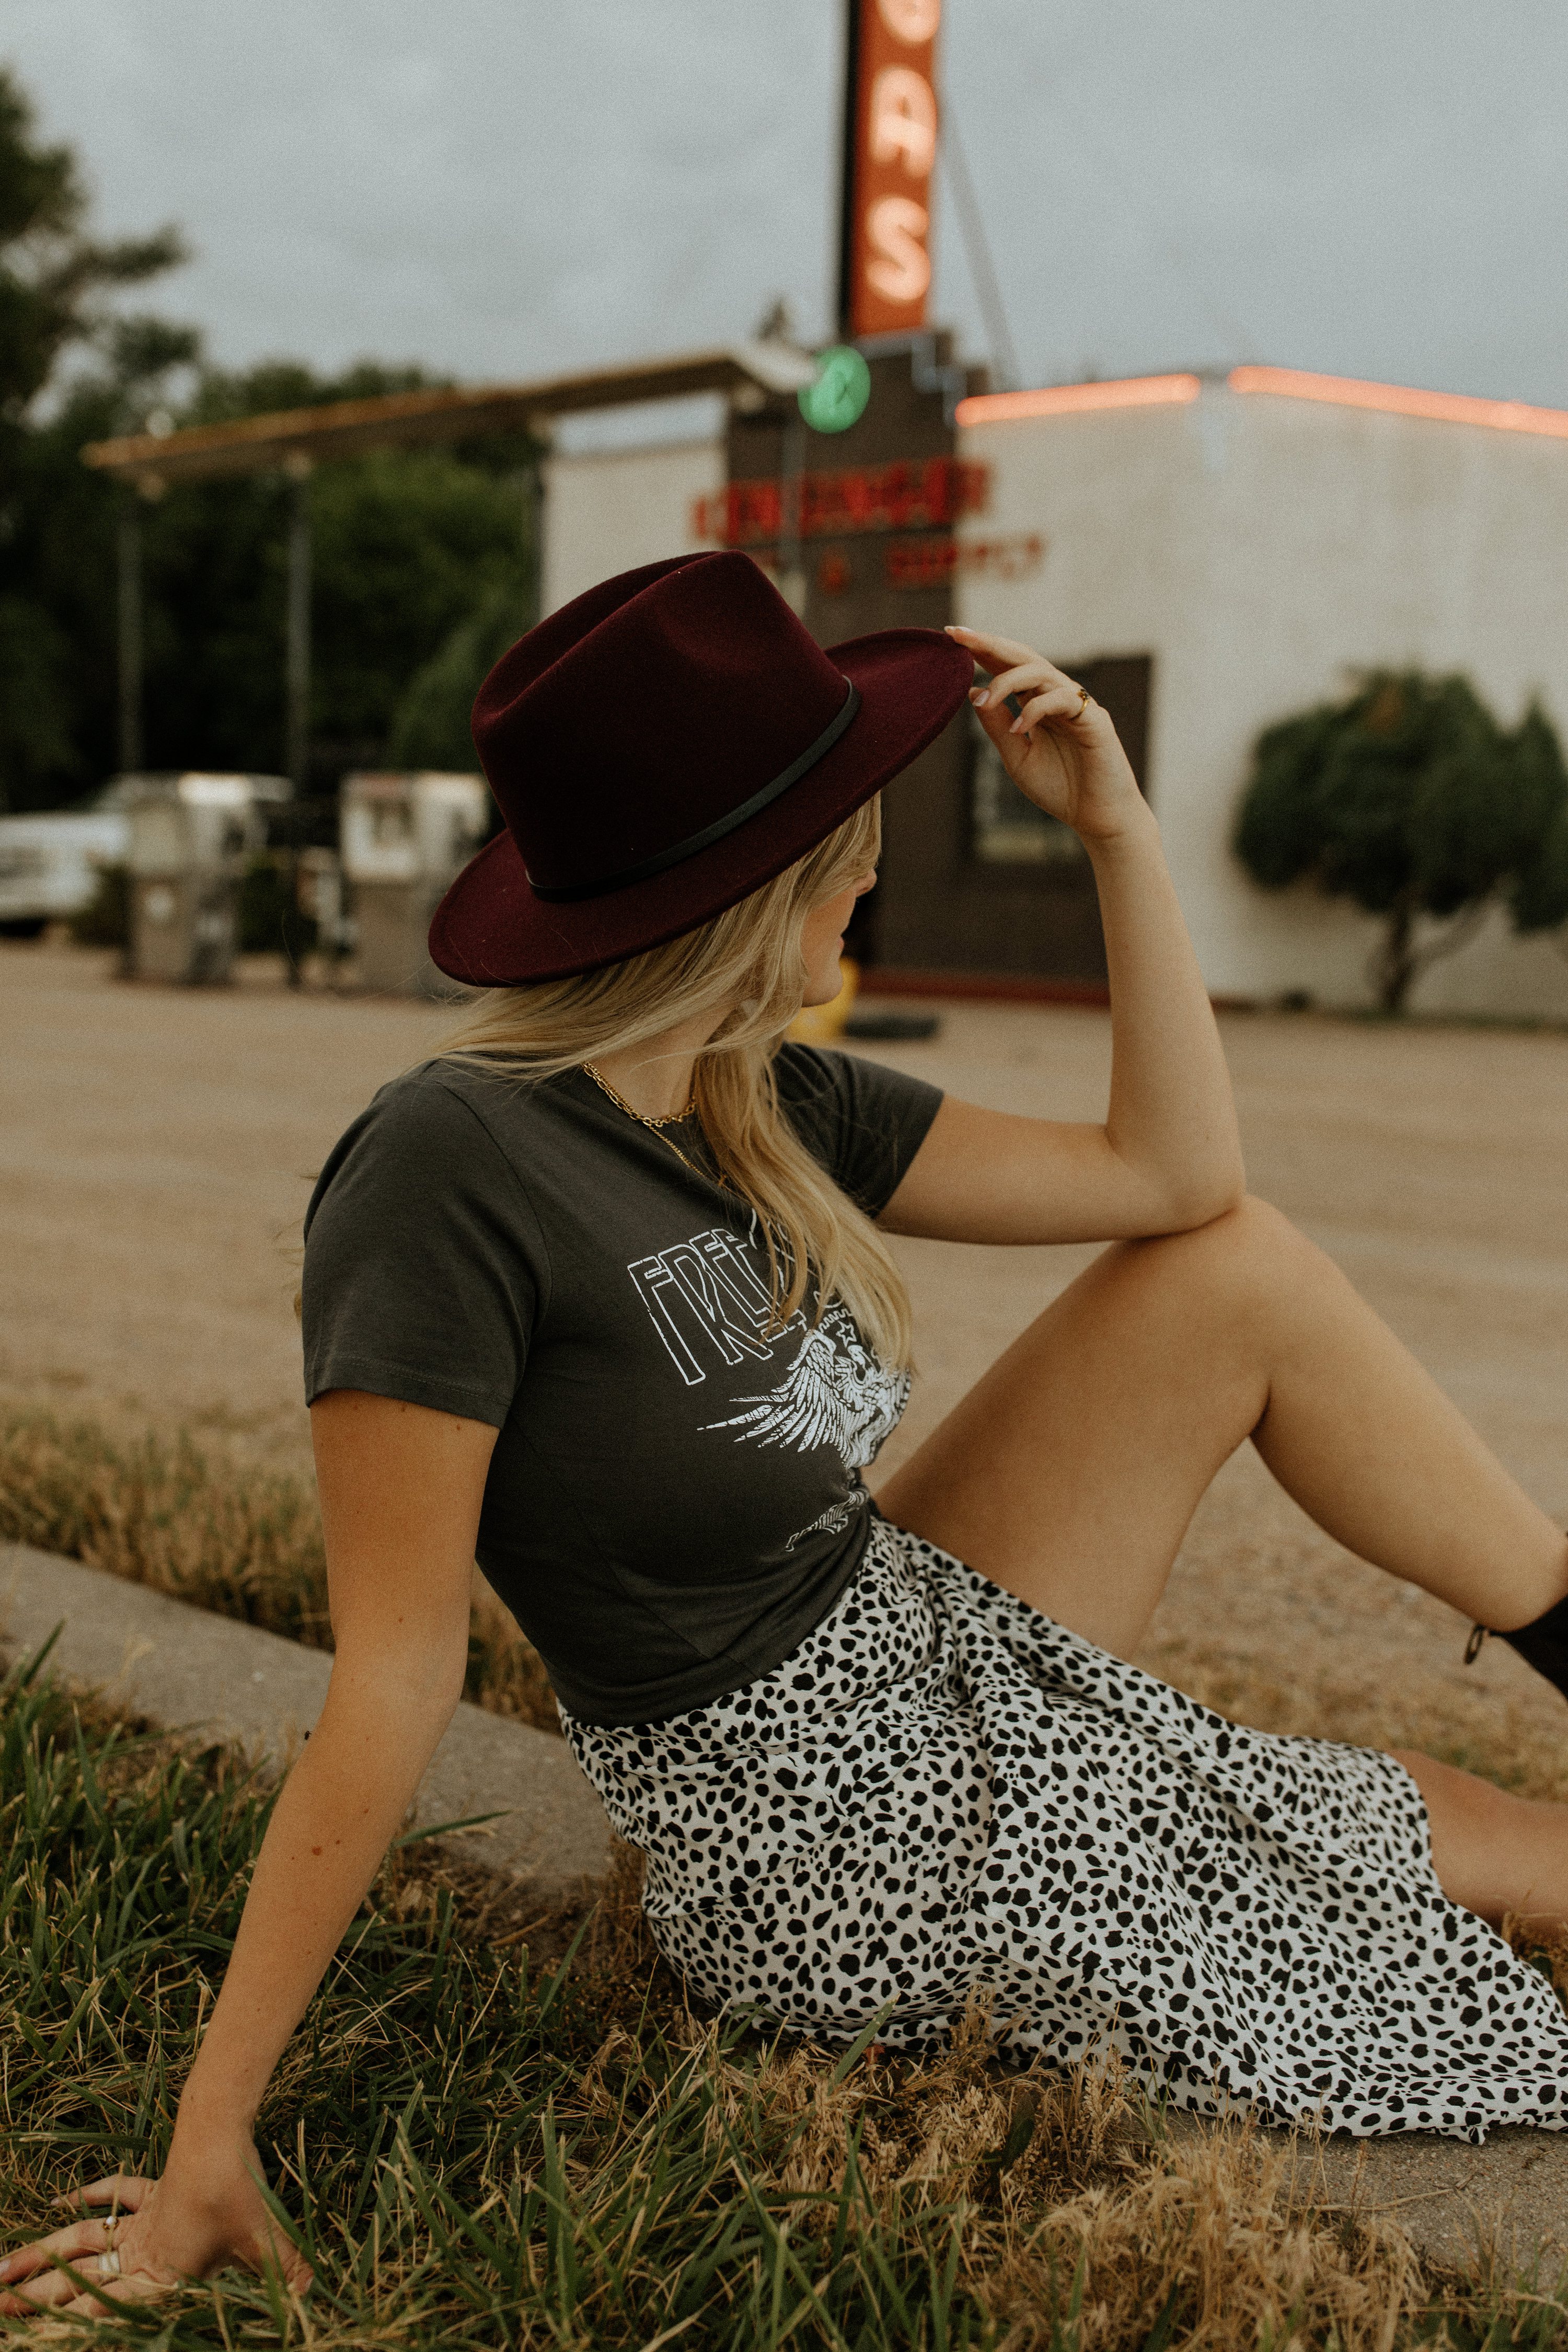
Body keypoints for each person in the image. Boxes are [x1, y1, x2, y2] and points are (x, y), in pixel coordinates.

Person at [9, 549, 1568, 2316]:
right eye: (849, 850)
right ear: (758, 887)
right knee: (1443, 1887)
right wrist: (214, 2138)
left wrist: (1122, 834)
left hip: (910, 1621)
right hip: (819, 1830)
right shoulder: (450, 1164)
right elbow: (392, 1673)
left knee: (1237, 1283)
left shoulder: (760, 1090)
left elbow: (1176, 1178)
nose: (873, 884)